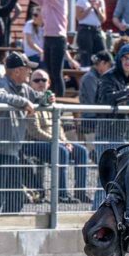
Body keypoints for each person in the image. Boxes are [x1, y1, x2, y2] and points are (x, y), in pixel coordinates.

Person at [0, 52, 40, 214]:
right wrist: (24, 102)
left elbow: (37, 97)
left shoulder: (25, 88)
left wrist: (47, 99)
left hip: (13, 150)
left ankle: (7, 222)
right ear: (17, 71)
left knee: (16, 198)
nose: (30, 72)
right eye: (27, 69)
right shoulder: (2, 84)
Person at [21, 69, 90, 205]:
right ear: (30, 83)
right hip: (33, 143)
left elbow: (59, 127)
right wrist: (58, 142)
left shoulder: (51, 102)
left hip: (54, 142)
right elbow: (34, 131)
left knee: (82, 151)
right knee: (61, 151)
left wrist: (65, 141)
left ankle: (80, 192)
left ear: (49, 83)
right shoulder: (30, 102)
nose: (40, 83)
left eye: (44, 80)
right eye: (36, 80)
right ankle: (61, 194)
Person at [93, 43, 129, 206]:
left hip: (128, 135)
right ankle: (98, 209)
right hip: (107, 134)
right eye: (125, 58)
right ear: (119, 60)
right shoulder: (108, 77)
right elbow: (105, 99)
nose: (128, 61)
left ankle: (116, 211)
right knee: (107, 177)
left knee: (123, 177)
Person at [19, 0, 67, 97]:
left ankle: (59, 100)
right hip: (48, 38)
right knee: (49, 72)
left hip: (58, 39)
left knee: (56, 72)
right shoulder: (46, 0)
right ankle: (50, 98)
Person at [75, 0, 107, 66]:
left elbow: (103, 19)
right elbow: (79, 17)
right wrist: (90, 7)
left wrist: (97, 9)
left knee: (102, 53)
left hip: (96, 29)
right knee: (86, 55)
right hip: (85, 30)